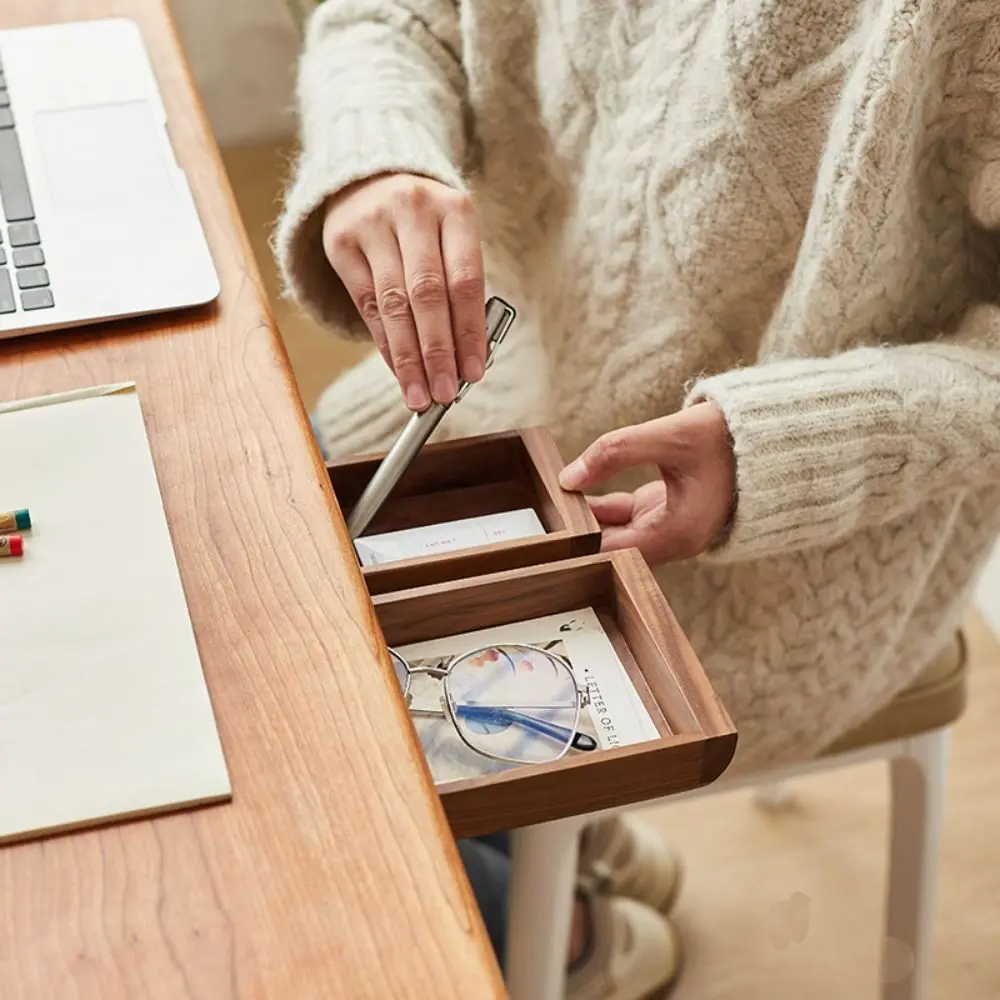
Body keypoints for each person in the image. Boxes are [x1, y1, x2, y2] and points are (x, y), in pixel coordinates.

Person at [275, 1, 1000, 996]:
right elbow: (388, 16)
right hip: (501, 386)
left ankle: (561, 929)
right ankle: (563, 866)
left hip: (794, 549)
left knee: (299, 738)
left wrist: (778, 451)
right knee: (263, 588)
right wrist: (376, 157)